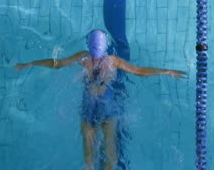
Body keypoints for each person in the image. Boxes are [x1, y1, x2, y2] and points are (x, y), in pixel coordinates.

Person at [16, 29, 187, 170]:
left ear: (90, 47)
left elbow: (56, 64)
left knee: (89, 161)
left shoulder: (83, 58)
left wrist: (30, 63)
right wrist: (166, 71)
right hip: (107, 108)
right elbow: (140, 71)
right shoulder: (113, 61)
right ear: (105, 48)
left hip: (88, 108)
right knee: (111, 157)